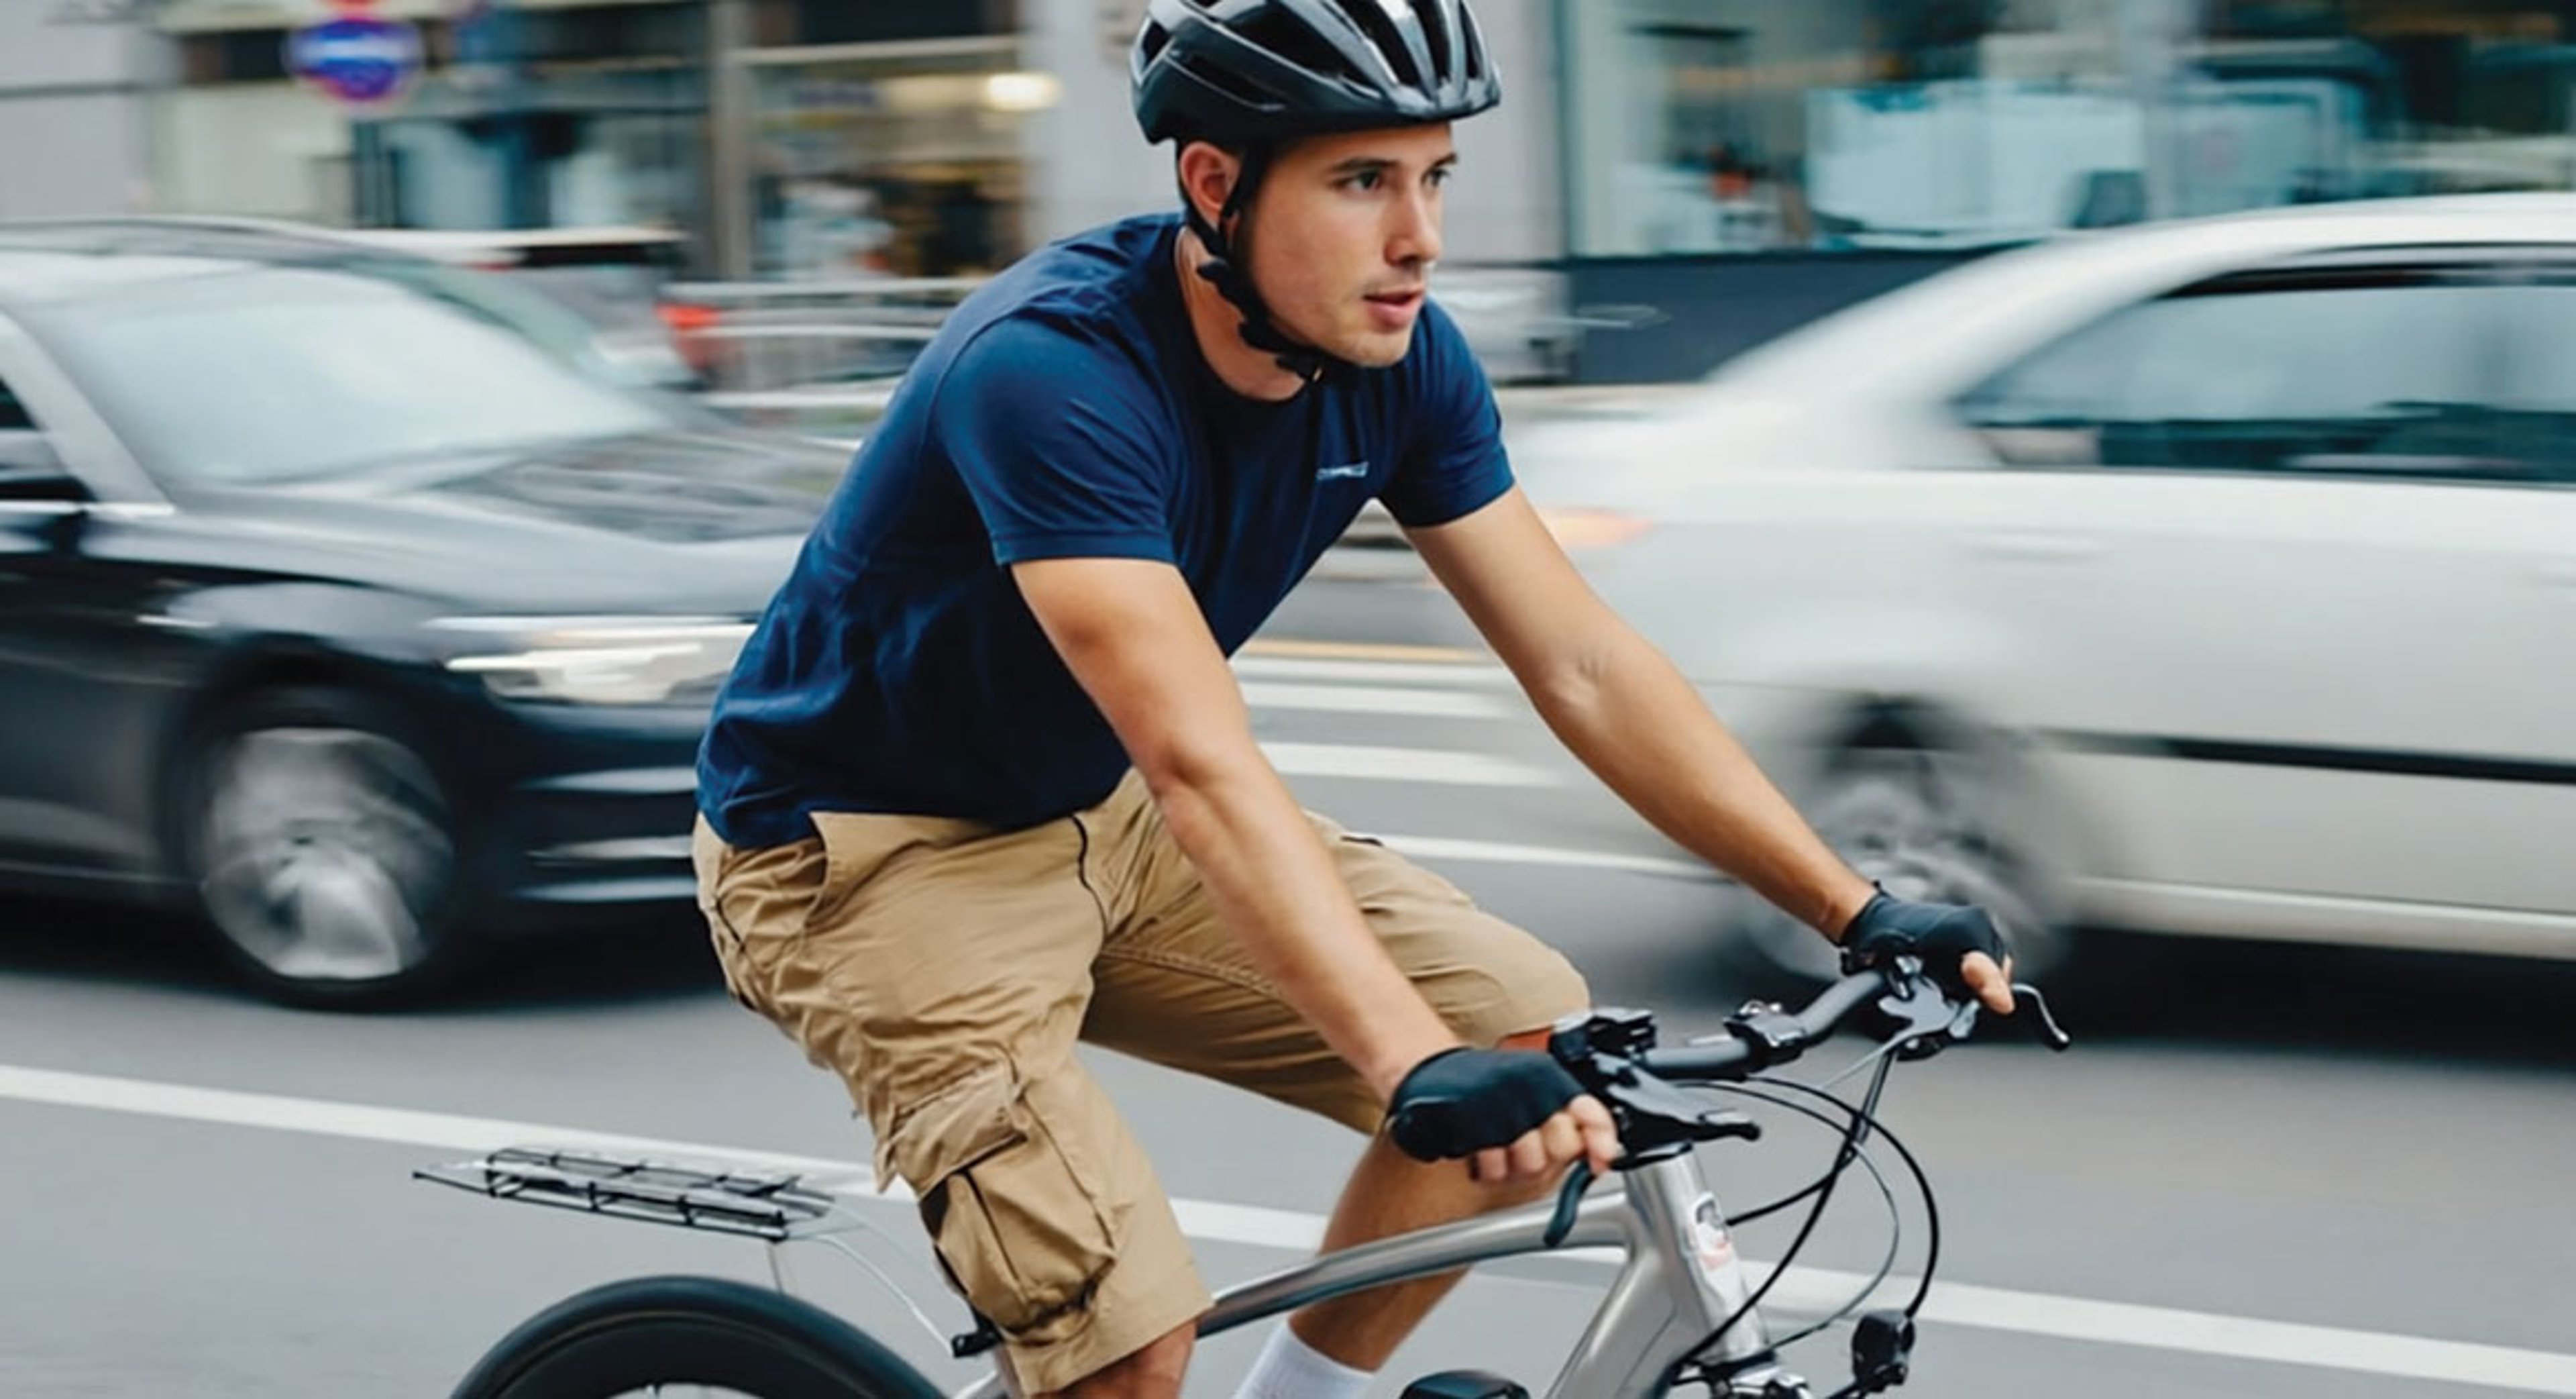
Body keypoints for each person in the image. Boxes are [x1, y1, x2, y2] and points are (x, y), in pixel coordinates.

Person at [690, 2, 2016, 1396]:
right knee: (1126, 1348)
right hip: (865, 856)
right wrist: (1401, 1065)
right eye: (1361, 181)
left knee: (1525, 1034)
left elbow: (1581, 659)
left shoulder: (1400, 359)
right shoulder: (1053, 372)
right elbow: (1200, 762)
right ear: (1216, 184)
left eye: (1432, 176)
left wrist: (1852, 905)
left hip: (1098, 811)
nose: (1420, 236)